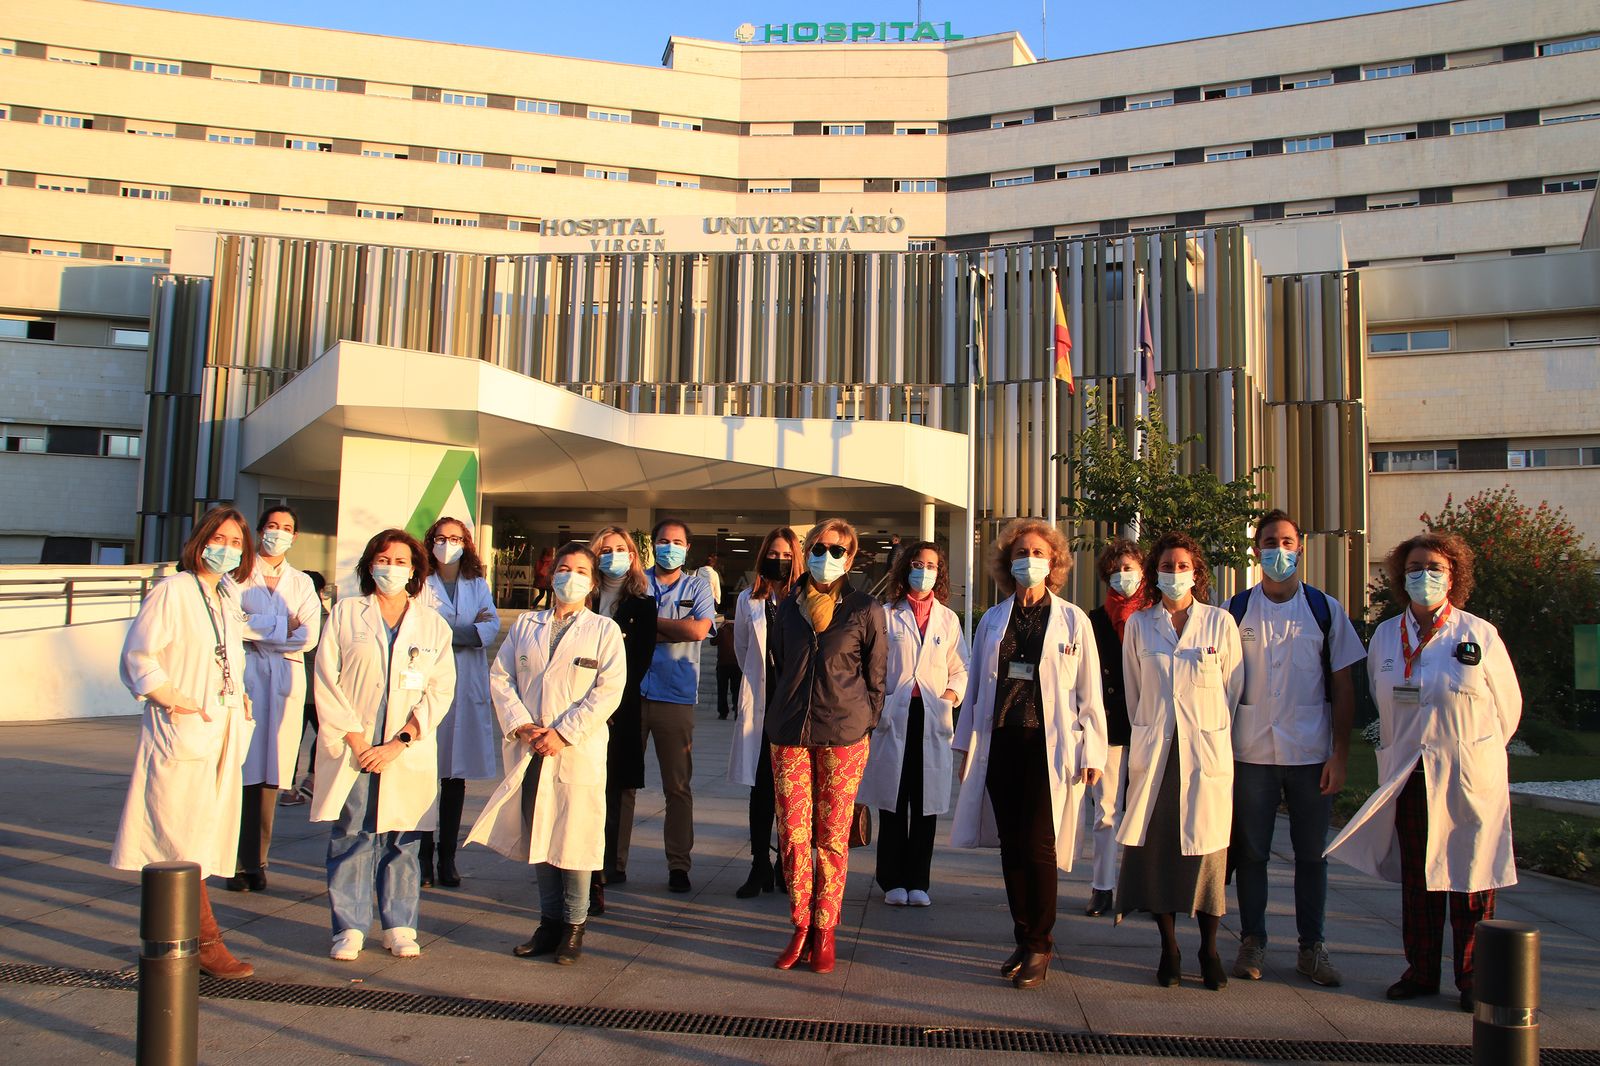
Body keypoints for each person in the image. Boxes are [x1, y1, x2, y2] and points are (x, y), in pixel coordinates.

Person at [1326, 533, 1521, 1013]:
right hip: (1411, 773)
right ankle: (1421, 972)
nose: (1425, 575)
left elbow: (1508, 709)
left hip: (1466, 776)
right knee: (1419, 881)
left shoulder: (1479, 634)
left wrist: (1476, 752)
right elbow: (1381, 693)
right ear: (1401, 576)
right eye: (1415, 567)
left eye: (1436, 567)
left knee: (1471, 879)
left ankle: (1474, 978)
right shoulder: (1388, 636)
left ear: (1454, 575)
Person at [951, 518, 1106, 989]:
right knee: (1011, 846)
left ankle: (1041, 942)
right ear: (1007, 562)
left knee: (1040, 845)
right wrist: (964, 747)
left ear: (1054, 562)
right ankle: (1022, 935)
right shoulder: (993, 620)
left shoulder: (1074, 619)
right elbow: (976, 686)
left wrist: (1093, 750)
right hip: (1000, 742)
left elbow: (1089, 691)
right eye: (1021, 553)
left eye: (1039, 553)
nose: (1029, 561)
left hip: (1049, 746)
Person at [111, 505, 260, 979]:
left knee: (200, 834)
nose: (227, 549)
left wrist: (242, 701)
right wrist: (174, 700)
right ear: (200, 540)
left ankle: (186, 940)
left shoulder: (226, 595)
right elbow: (139, 655)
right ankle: (202, 941)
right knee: (178, 839)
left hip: (221, 728)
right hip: (183, 727)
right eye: (220, 538)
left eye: (237, 542)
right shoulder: (173, 591)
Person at [468, 542, 626, 965]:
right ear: (551, 575)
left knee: (574, 842)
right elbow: (501, 676)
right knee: (539, 836)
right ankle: (548, 923)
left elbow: (608, 692)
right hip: (531, 746)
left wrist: (563, 733)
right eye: (562, 568)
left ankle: (574, 927)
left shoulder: (604, 631)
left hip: (575, 750)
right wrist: (521, 723)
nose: (568, 577)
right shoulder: (525, 625)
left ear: (592, 583)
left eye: (579, 571)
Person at [1227, 510, 1366, 987]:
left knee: (1312, 856)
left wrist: (1341, 755)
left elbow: (1344, 686)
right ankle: (1253, 940)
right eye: (1269, 541)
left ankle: (1313, 947)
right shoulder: (1236, 610)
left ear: (1300, 548)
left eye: (1287, 541)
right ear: (1256, 550)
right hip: (1251, 755)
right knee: (1251, 854)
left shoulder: (1325, 609)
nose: (1279, 550)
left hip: (1311, 755)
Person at [311, 528, 455, 961]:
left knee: (402, 838)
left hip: (404, 748)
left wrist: (401, 741)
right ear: (370, 565)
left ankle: (400, 924)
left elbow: (440, 690)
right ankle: (350, 926)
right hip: (354, 744)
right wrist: (356, 739)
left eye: (400, 562)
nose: (391, 568)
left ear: (415, 571)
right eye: (383, 559)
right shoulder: (346, 614)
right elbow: (325, 678)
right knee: (352, 832)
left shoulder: (432, 623)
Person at [1116, 531, 1243, 991]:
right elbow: (1134, 695)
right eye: (1166, 566)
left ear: (1196, 572)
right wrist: (1155, 729)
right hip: (1157, 756)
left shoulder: (1220, 624)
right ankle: (1169, 948)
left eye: (1182, 566)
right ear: (1155, 573)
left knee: (1208, 855)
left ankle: (1209, 949)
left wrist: (1203, 733)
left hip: (1203, 756)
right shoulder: (1139, 626)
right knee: (1158, 855)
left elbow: (1232, 691)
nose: (1174, 574)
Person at [766, 517, 887, 974]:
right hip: (790, 734)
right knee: (794, 836)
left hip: (843, 734)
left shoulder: (865, 609)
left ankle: (826, 928)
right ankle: (799, 925)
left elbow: (876, 679)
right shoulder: (788, 606)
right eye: (819, 547)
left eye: (838, 550)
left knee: (832, 838)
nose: (827, 557)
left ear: (851, 557)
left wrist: (863, 725)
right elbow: (779, 665)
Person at [859, 541, 969, 908]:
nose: (925, 570)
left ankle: (918, 880)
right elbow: (869, 665)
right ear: (905, 568)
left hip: (930, 717)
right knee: (893, 800)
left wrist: (948, 700)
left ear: (940, 573)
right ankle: (891, 879)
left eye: (932, 565)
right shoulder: (886, 614)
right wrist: (879, 706)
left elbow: (960, 668)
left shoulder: (948, 619)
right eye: (918, 563)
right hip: (894, 716)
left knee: (925, 804)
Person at [230, 505, 321, 890]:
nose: (278, 533)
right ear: (259, 530)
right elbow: (230, 622)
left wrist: (259, 627)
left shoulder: (301, 582)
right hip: (248, 673)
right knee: (239, 769)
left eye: (286, 528)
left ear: (295, 537)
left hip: (284, 676)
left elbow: (310, 634)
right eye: (272, 526)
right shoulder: (235, 577)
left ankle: (257, 860)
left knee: (271, 776)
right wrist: (285, 624)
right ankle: (232, 860)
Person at [624, 517, 715, 892]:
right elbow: (621, 629)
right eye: (663, 541)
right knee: (622, 783)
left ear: (687, 548)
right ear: (654, 545)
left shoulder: (698, 586)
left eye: (677, 542)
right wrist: (664, 629)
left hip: (675, 697)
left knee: (677, 786)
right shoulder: (636, 583)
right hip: (632, 694)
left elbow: (699, 630)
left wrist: (647, 627)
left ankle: (679, 864)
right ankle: (612, 863)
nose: (670, 547)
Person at [417, 516, 501, 889]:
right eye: (441, 537)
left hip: (465, 683)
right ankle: (421, 856)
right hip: (425, 683)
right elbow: (418, 630)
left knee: (455, 776)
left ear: (466, 542)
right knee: (422, 773)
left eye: (455, 537)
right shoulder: (418, 583)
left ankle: (447, 857)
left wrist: (447, 631)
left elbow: (490, 627)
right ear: (430, 541)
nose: (447, 543)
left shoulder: (477, 583)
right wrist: (464, 631)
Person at [728, 526, 802, 899]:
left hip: (795, 709)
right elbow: (743, 651)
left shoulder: (808, 598)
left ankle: (786, 864)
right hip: (763, 704)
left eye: (787, 556)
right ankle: (759, 864)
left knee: (792, 792)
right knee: (761, 791)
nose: (780, 561)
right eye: (774, 554)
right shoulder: (749, 599)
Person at [588, 525, 658, 912]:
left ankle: (609, 865)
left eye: (620, 549)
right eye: (604, 549)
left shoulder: (643, 605)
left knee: (614, 789)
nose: (612, 555)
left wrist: (607, 706)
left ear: (632, 556)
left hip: (619, 710)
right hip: (575, 708)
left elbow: (638, 663)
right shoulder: (582, 599)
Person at [1082, 539, 1144, 918]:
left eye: (1130, 567)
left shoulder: (1154, 616)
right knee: (1105, 812)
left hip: (1148, 726)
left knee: (1144, 812)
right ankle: (1102, 887)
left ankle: (1141, 888)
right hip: (1107, 725)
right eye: (1116, 569)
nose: (1123, 575)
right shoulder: (1094, 620)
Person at [281, 569, 330, 808]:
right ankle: (310, 780)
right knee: (322, 737)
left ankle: (290, 787)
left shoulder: (296, 617)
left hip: (297, 687)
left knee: (293, 739)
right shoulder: (325, 618)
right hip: (315, 690)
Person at [714, 616, 741, 720]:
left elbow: (713, 641)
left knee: (722, 690)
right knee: (737, 690)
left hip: (723, 664)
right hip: (736, 663)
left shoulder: (722, 630)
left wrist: (719, 627)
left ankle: (723, 712)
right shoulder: (739, 629)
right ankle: (737, 711)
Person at [698, 551, 724, 615]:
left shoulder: (697, 571)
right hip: (710, 600)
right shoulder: (714, 574)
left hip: (698, 599)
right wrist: (717, 601)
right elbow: (717, 590)